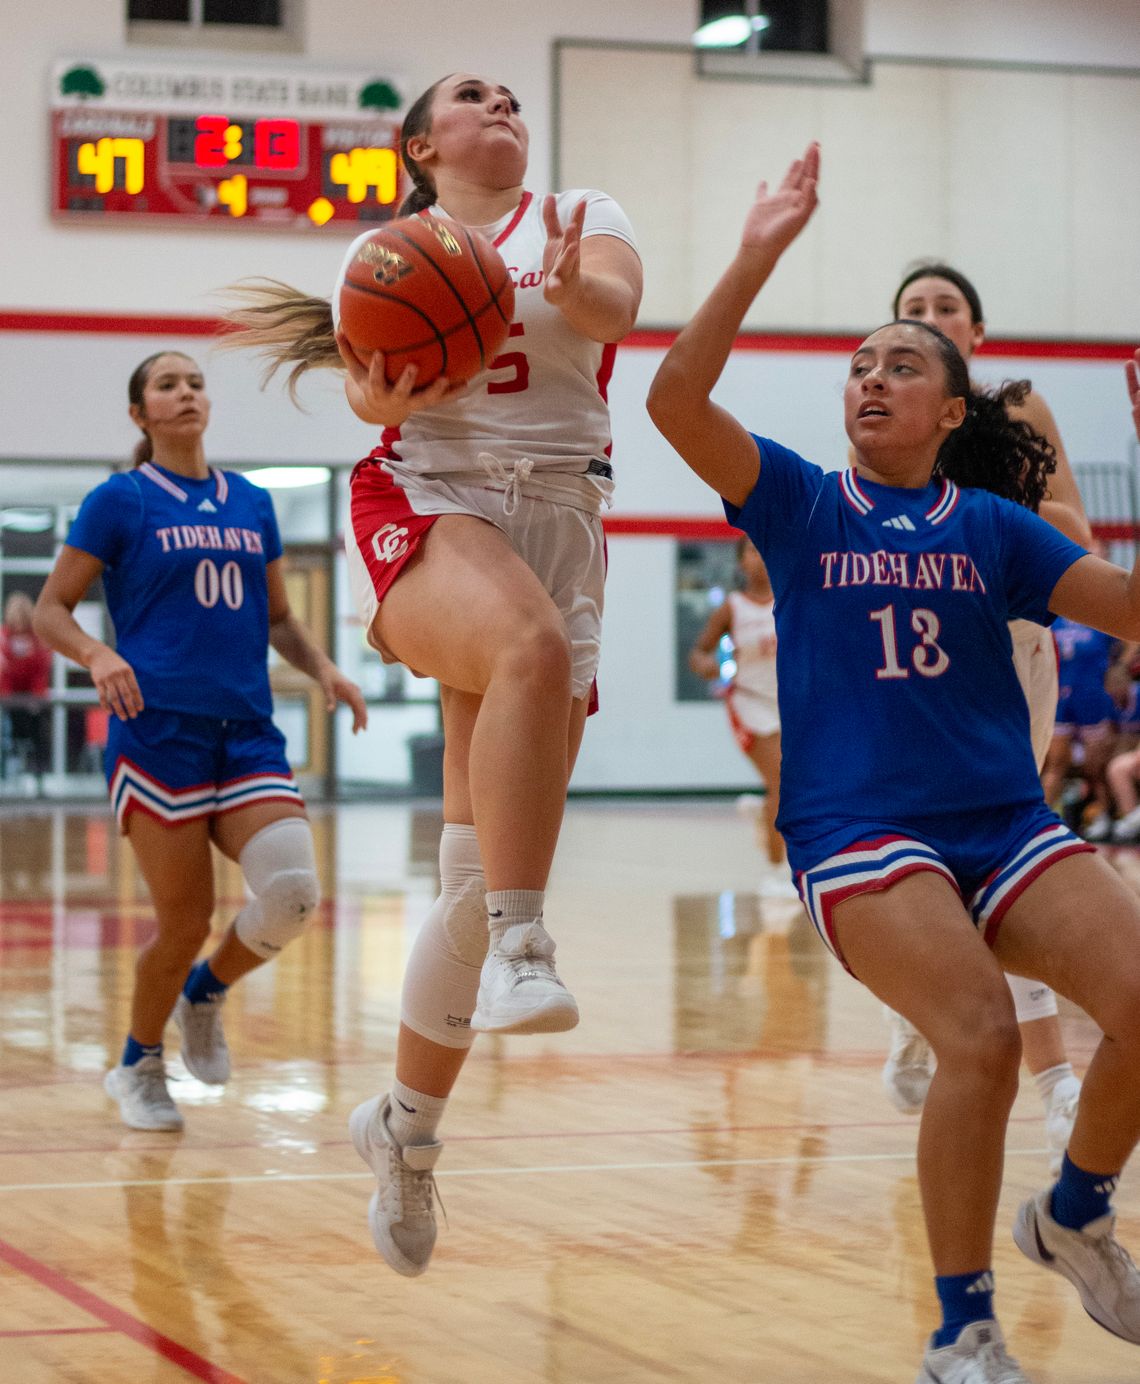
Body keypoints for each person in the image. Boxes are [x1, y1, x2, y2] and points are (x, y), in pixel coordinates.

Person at [648, 143, 1140, 1382]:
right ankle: (959, 1328)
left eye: (903, 362)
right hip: (861, 831)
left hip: (1004, 821)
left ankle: (1075, 1210)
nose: (873, 374)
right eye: (860, 363)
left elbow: (1123, 604)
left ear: (952, 410)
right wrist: (758, 250)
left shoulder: (993, 526)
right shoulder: (804, 503)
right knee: (976, 1031)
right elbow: (672, 402)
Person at [219, 72, 642, 1276]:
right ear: (420, 145)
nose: (502, 105)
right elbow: (365, 389)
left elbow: (613, 312)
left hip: (563, 517)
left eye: (512, 95)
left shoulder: (578, 214)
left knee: (466, 868)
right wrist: (376, 386)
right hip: (432, 497)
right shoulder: (391, 250)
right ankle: (525, 945)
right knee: (527, 649)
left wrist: (568, 285)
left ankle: (404, 1132)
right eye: (473, 96)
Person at [33, 351, 367, 1132]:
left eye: (194, 383)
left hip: (247, 730)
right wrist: (98, 653)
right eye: (166, 385)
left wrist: (324, 670)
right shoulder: (119, 501)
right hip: (158, 734)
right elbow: (53, 608)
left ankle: (205, 992)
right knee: (184, 922)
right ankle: (137, 1063)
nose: (185, 394)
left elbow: (278, 616)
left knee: (291, 895)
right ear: (140, 414)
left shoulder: (251, 501)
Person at [875, 262, 1091, 1171]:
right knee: (931, 854)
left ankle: (1050, 1083)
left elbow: (1077, 530)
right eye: (912, 311)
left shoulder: (1021, 408)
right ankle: (953, 1028)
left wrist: (992, 515)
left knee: (1004, 846)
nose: (930, 319)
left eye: (945, 308)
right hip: (921, 652)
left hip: (1012, 646)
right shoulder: (880, 413)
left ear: (977, 333)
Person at [689, 537, 796, 895]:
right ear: (740, 563)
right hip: (749, 704)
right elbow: (699, 654)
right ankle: (779, 872)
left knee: (794, 786)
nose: (759, 556)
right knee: (781, 780)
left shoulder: (790, 598)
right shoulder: (732, 608)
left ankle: (762, 812)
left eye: (763, 548)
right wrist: (713, 667)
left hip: (789, 703)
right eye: (751, 550)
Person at [0, 591, 53, 785]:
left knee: (38, 736)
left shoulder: (37, 638)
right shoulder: (4, 637)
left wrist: (37, 697)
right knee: (8, 736)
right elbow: (4, 670)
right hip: (10, 697)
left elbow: (41, 668)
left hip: (33, 698)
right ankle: (6, 777)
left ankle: (39, 778)